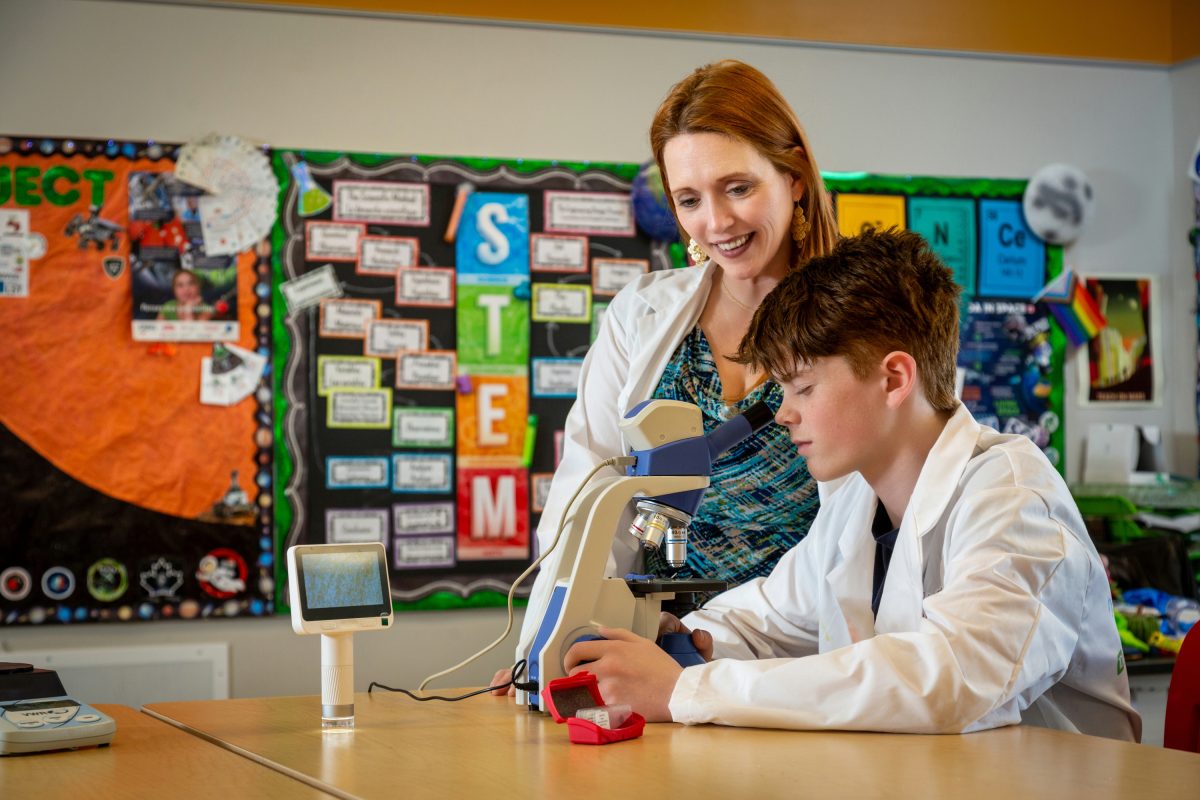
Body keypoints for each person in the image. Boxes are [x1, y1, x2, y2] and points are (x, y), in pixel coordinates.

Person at [561, 229, 1141, 742]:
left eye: (803, 388)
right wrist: (677, 638)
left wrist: (686, 691)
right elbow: (767, 619)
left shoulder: (1014, 501)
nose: (784, 413)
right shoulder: (856, 507)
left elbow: (949, 679)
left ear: (894, 378)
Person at [493, 60, 839, 692]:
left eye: (738, 188)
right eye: (689, 200)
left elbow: (869, 528)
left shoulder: (860, 322)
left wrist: (705, 640)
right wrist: (546, 647)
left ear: (793, 174)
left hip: (800, 664)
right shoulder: (642, 314)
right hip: (644, 652)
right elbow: (585, 497)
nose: (717, 222)